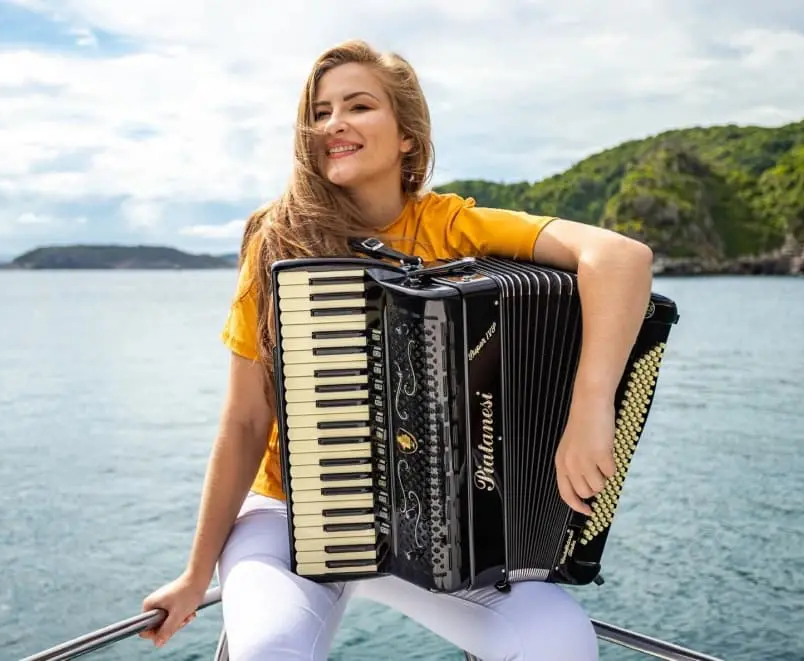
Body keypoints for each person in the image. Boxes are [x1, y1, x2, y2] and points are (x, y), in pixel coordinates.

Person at [139, 39, 655, 660]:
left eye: (358, 106)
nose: (333, 125)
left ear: (407, 135)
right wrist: (196, 576)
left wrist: (590, 408)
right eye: (321, 111)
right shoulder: (277, 239)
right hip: (287, 516)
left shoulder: (451, 226)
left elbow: (621, 258)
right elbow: (246, 420)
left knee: (560, 642)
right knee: (267, 650)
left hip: (433, 537)